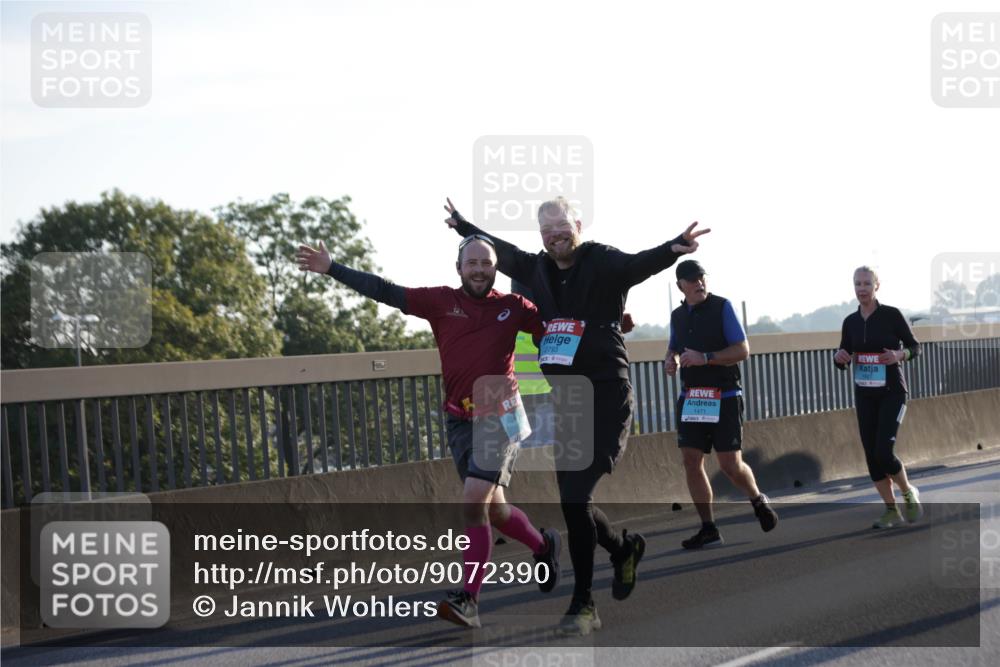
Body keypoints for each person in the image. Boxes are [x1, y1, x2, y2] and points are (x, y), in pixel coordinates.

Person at [444, 196, 708, 636]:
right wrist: (463, 226)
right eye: (546, 231)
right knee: (574, 502)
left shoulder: (601, 261)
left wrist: (674, 247)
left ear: (577, 225)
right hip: (567, 399)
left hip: (606, 397)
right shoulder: (538, 270)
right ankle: (623, 549)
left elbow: (637, 266)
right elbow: (503, 253)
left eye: (561, 227)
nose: (554, 236)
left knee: (575, 496)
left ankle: (584, 605)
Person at [296, 236, 561, 629]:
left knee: (473, 500)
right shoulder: (441, 302)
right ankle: (543, 545)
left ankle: (468, 601)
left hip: (502, 415)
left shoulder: (514, 306)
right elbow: (386, 291)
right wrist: (333, 268)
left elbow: (554, 334)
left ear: (495, 269)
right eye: (471, 262)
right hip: (459, 420)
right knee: (495, 509)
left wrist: (608, 326)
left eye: (486, 263)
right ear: (459, 269)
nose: (478, 269)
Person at [665, 260, 778, 549]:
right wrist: (671, 360)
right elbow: (675, 347)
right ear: (681, 286)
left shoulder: (722, 307)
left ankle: (757, 499)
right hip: (692, 397)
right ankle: (709, 528)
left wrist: (706, 357)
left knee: (730, 465)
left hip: (724, 396)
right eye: (691, 280)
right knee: (691, 461)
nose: (698, 283)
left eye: (701, 277)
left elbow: (742, 350)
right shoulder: (677, 315)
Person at [834, 266, 923, 529]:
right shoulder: (850, 322)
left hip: (893, 392)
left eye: (866, 284)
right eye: (857, 284)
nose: (862, 289)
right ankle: (890, 510)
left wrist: (899, 355)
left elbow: (915, 347)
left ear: (877, 286)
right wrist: (838, 359)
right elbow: (844, 355)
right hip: (865, 395)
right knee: (872, 455)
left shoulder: (891, 315)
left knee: (884, 451)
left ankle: (907, 491)